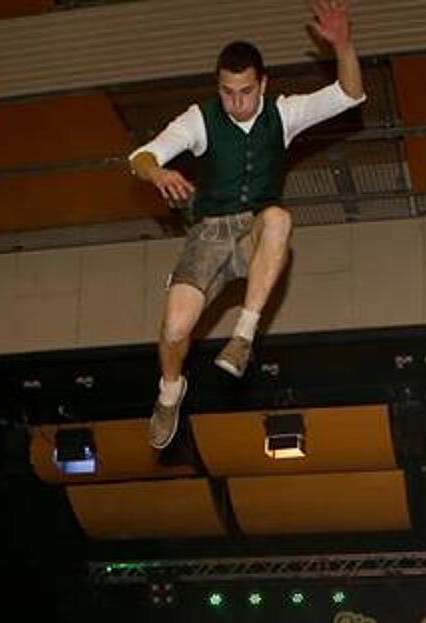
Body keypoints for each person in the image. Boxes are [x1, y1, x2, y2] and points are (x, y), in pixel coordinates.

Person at [130, 0, 365, 447]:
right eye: (227, 92)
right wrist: (157, 172)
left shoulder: (284, 113)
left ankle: (243, 335)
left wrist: (343, 46)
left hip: (254, 232)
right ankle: (170, 390)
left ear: (263, 84)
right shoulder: (200, 119)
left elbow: (349, 95)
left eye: (245, 92)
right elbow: (141, 157)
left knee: (278, 218)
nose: (236, 102)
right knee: (175, 329)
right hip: (208, 236)